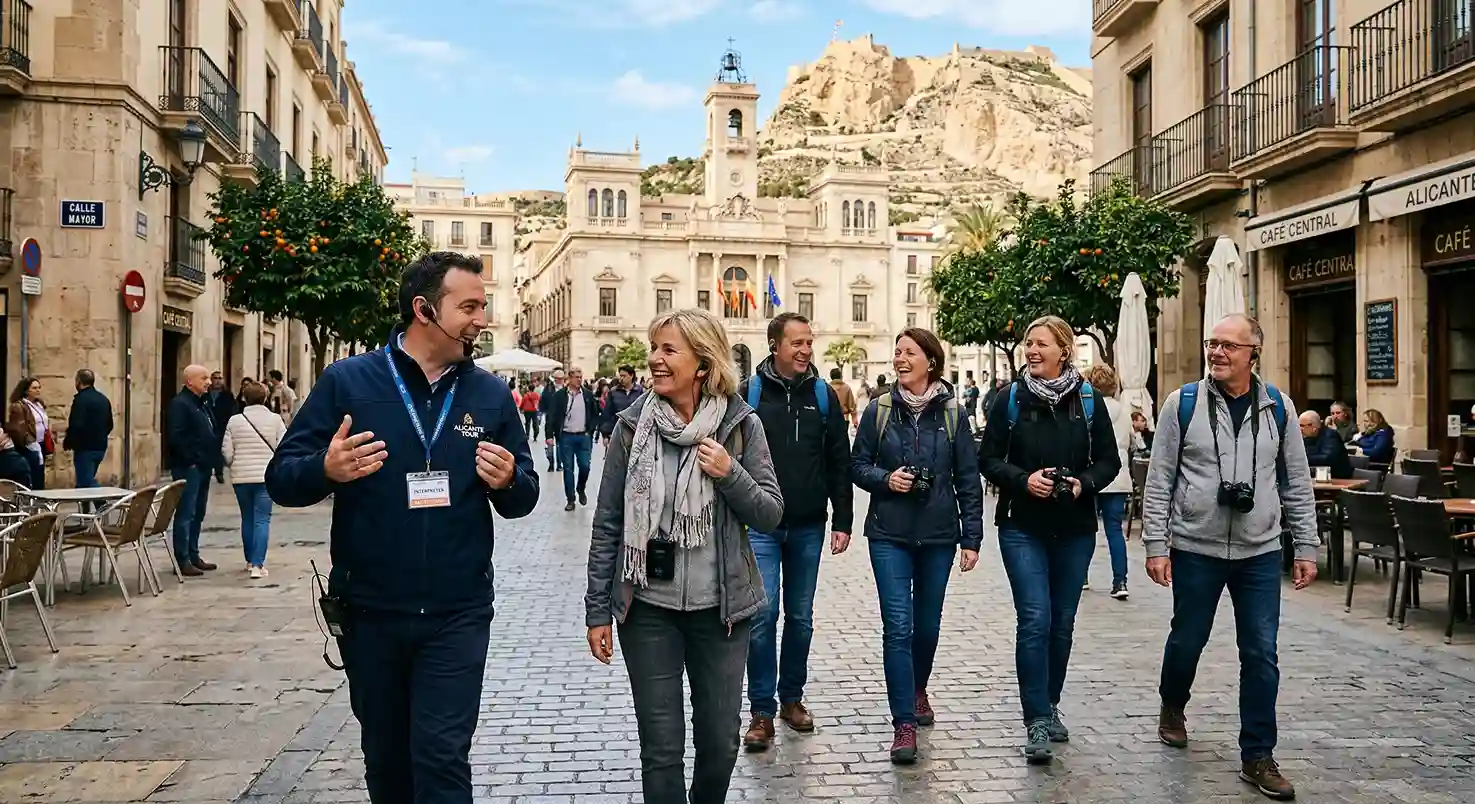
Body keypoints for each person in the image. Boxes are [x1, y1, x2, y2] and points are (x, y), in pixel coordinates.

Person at [266, 251, 539, 804]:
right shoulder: (349, 382)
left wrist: (510, 479)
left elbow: (524, 497)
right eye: (468, 306)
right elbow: (281, 479)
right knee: (387, 762)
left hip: (457, 613)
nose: (480, 319)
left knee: (441, 758)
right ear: (423, 310)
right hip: (371, 614)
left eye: (482, 306)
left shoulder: (489, 393)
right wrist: (325, 468)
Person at [585, 308, 782, 804]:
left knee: (720, 743)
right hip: (647, 610)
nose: (654, 359)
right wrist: (597, 611)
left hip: (721, 614)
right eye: (654, 348)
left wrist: (730, 472)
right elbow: (609, 521)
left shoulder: (739, 425)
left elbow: (769, 512)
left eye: (668, 350)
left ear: (702, 362)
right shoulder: (633, 426)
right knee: (661, 749)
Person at [1141, 313, 1319, 801]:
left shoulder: (1279, 408)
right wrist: (1157, 544)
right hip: (1196, 547)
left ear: (1252, 353)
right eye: (1211, 343)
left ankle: (1258, 755)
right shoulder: (1183, 404)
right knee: (1187, 639)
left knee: (1261, 652)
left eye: (1228, 346)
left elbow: (1296, 483)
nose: (1216, 352)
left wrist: (1305, 545)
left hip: (1259, 550)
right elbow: (1160, 480)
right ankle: (1172, 704)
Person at [978, 317, 1120, 764]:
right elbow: (988, 459)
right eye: (1028, 343)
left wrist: (1082, 484)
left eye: (1041, 344)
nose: (1032, 351)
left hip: (1075, 528)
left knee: (1062, 623)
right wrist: (1024, 480)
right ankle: (1036, 717)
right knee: (1035, 620)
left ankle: (1051, 703)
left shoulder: (1089, 401)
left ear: (1064, 350)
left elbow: (1110, 462)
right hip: (1022, 526)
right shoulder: (1010, 399)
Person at [851, 327, 984, 764]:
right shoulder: (878, 410)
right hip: (888, 533)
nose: (900, 359)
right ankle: (903, 722)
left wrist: (972, 537)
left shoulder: (952, 413)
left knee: (927, 625)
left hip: (939, 535)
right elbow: (857, 465)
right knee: (899, 627)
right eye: (897, 353)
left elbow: (968, 477)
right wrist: (886, 479)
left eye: (909, 352)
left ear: (931, 360)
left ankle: (917, 686)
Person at [738, 312, 853, 751]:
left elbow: (838, 461)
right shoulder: (748, 395)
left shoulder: (822, 396)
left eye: (809, 342)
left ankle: (792, 698)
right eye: (797, 343)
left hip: (808, 525)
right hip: (761, 526)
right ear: (775, 346)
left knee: (800, 619)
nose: (806, 350)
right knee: (763, 615)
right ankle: (761, 710)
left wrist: (842, 520)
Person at [222, 381, 287, 579]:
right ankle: (258, 565)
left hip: (241, 477)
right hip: (266, 476)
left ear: (244, 398)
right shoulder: (275, 420)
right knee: (262, 519)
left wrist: (234, 463)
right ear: (266, 398)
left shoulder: (234, 421)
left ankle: (250, 560)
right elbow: (284, 446)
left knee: (247, 517)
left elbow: (226, 451)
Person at [165, 365, 219, 577]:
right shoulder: (180, 404)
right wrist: (192, 460)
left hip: (203, 466)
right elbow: (176, 437)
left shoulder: (201, 403)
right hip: (190, 467)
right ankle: (183, 558)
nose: (208, 381)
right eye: (204, 378)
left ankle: (193, 554)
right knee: (186, 513)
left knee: (198, 512)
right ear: (190, 381)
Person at [1087, 364, 1134, 600]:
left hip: (1092, 476)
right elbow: (1134, 443)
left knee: (1084, 529)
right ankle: (1120, 581)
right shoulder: (1124, 411)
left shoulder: (1089, 409)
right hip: (1118, 477)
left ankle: (1081, 576)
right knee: (1114, 531)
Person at [544, 367, 598, 511]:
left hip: (583, 436)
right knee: (568, 469)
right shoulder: (560, 396)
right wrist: (549, 435)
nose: (579, 379)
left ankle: (581, 488)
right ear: (570, 378)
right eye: (576, 377)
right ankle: (571, 499)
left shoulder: (587, 394)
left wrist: (590, 430)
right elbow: (552, 416)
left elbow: (594, 413)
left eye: (581, 377)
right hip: (566, 437)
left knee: (585, 466)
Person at [64, 369, 112, 488]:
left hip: (85, 448)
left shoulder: (80, 400)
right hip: (100, 447)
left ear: (79, 381)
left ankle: (103, 506)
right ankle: (84, 506)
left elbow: (76, 424)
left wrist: (69, 441)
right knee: (83, 483)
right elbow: (110, 424)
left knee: (87, 482)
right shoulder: (103, 399)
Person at [7, 377, 48, 490]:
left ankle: (39, 501)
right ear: (26, 390)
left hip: (41, 444)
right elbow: (19, 429)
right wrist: (31, 444)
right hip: (30, 446)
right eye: (34, 388)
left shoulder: (39, 404)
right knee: (33, 475)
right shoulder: (19, 406)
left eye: (39, 388)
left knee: (40, 474)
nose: (38, 390)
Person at [1300, 410, 1351, 479]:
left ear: (1314, 427)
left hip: (1339, 479)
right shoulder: (1306, 438)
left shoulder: (1331, 435)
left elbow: (1327, 458)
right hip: (1316, 478)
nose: (1300, 429)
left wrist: (1301, 459)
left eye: (1302, 426)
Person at [208, 370, 238, 483]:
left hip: (222, 425)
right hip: (209, 426)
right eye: (215, 378)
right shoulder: (206, 394)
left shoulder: (227, 395)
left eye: (220, 378)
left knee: (220, 450)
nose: (218, 381)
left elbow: (233, 409)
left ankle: (219, 472)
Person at [601, 364, 644, 439]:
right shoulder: (614, 392)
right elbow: (607, 414)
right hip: (617, 433)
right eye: (620, 376)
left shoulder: (640, 392)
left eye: (624, 376)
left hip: (635, 434)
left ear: (631, 376)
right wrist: (606, 435)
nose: (621, 378)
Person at [538, 370, 564, 472]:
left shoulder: (564, 390)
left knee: (559, 443)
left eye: (561, 379)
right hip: (550, 419)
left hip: (561, 420)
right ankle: (551, 463)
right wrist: (545, 411)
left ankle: (558, 464)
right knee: (549, 441)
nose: (560, 380)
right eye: (559, 379)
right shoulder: (549, 389)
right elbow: (542, 402)